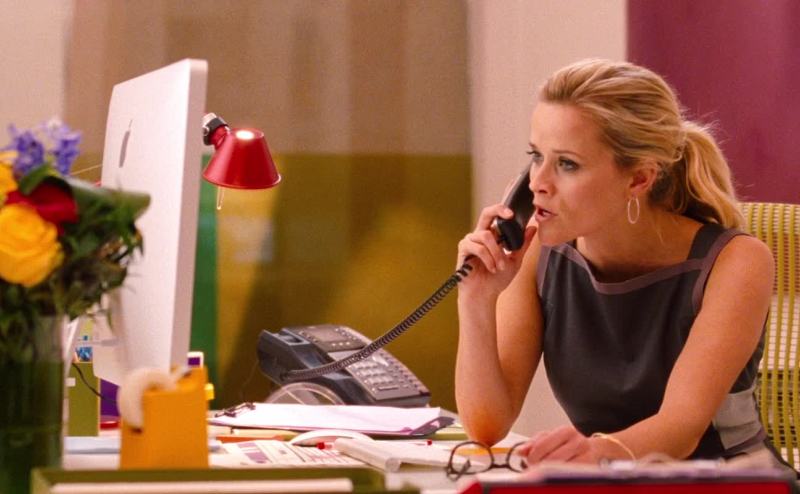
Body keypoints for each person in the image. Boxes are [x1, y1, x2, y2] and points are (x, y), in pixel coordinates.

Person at [454, 59, 779, 465]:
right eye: (536, 156)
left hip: (727, 479)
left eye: (567, 164)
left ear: (639, 179)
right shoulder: (537, 251)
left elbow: (681, 430)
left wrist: (593, 453)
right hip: (609, 478)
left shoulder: (736, 261)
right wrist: (476, 300)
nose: (537, 183)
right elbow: (486, 426)